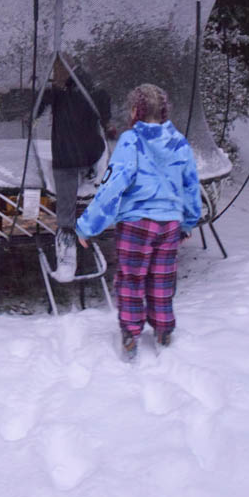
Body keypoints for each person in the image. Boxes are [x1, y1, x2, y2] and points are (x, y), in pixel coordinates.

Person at [75, 83, 201, 361]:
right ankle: (163, 329)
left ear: (135, 110)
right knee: (161, 278)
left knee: (132, 279)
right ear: (164, 110)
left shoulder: (130, 142)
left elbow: (111, 186)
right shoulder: (179, 141)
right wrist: (189, 221)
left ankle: (131, 333)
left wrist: (87, 225)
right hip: (169, 223)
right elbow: (191, 185)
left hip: (137, 224)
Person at [37, 55, 112, 282]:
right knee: (73, 193)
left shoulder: (72, 90)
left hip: (73, 158)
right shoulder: (76, 89)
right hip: (90, 155)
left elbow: (34, 111)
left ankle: (67, 251)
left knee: (67, 205)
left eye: (56, 70)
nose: (53, 75)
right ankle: (75, 237)